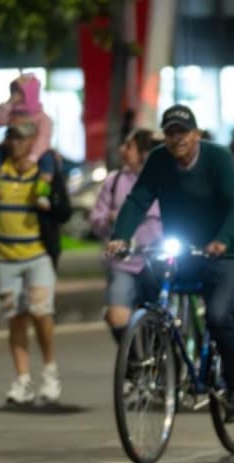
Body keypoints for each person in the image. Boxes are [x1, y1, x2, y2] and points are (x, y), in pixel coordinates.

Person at [106, 104, 234, 423]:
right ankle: (164, 354)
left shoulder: (218, 158)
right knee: (149, 282)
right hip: (185, 249)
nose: (177, 139)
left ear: (196, 135)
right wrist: (121, 237)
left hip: (229, 251)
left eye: (183, 133)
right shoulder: (159, 159)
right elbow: (139, 198)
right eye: (171, 133)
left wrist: (222, 241)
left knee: (217, 315)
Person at [0, 120, 66, 404]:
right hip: (4, 257)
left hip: (38, 255)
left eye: (22, 138)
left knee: (40, 312)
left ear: (34, 140)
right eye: (11, 137)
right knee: (15, 318)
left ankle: (50, 372)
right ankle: (22, 380)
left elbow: (64, 211)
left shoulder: (45, 169)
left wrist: (45, 201)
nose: (15, 143)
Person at [90, 128, 162, 344]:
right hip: (124, 262)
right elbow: (96, 220)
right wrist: (110, 220)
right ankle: (132, 359)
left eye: (129, 146)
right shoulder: (114, 181)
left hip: (157, 261)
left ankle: (161, 355)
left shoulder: (163, 180)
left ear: (144, 152)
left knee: (161, 319)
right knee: (116, 317)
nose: (123, 150)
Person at [0, 74, 57, 211]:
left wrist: (32, 157)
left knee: (48, 160)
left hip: (37, 152)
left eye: (20, 92)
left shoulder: (42, 117)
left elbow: (43, 139)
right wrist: (9, 102)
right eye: (14, 91)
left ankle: (42, 194)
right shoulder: (11, 113)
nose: (15, 142)